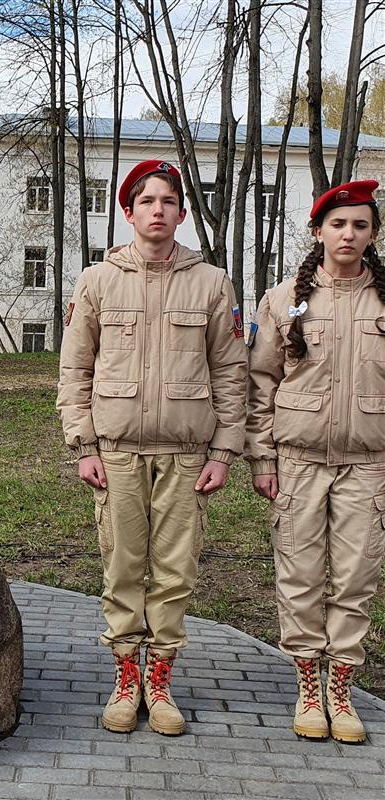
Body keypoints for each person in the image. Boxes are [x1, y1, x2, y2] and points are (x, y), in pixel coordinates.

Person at [56, 160, 247, 735]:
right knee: (121, 567)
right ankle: (125, 678)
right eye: (147, 202)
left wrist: (223, 452)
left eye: (168, 201)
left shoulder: (211, 282)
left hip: (187, 455)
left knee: (174, 572)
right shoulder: (97, 281)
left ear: (182, 214)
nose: (158, 210)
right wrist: (83, 442)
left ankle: (159, 681)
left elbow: (231, 371)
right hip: (116, 451)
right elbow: (75, 368)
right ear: (128, 212)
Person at [246, 179, 385, 744]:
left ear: (373, 234)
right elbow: (260, 383)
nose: (348, 234)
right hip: (298, 461)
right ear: (318, 231)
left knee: (355, 578)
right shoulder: (284, 301)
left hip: (369, 463)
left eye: (360, 225)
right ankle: (308, 684)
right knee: (300, 578)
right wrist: (262, 458)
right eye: (338, 224)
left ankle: (341, 689)